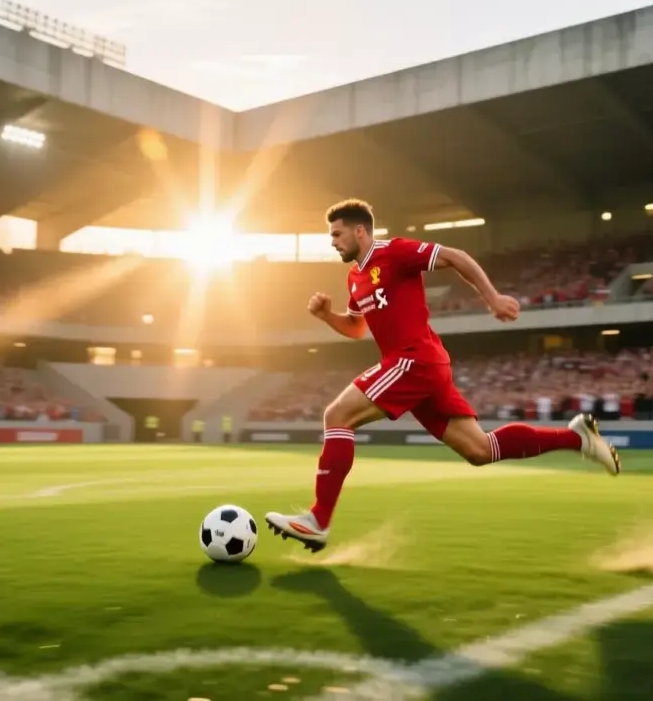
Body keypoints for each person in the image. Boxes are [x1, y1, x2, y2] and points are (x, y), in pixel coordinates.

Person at [265, 199, 621, 552]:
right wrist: (329, 316)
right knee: (481, 450)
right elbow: (358, 327)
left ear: (361, 230)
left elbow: (455, 256)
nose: (333, 241)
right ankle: (578, 439)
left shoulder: (395, 252)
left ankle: (318, 519)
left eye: (338, 234)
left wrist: (492, 298)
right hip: (417, 368)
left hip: (414, 360)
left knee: (336, 416)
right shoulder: (355, 276)